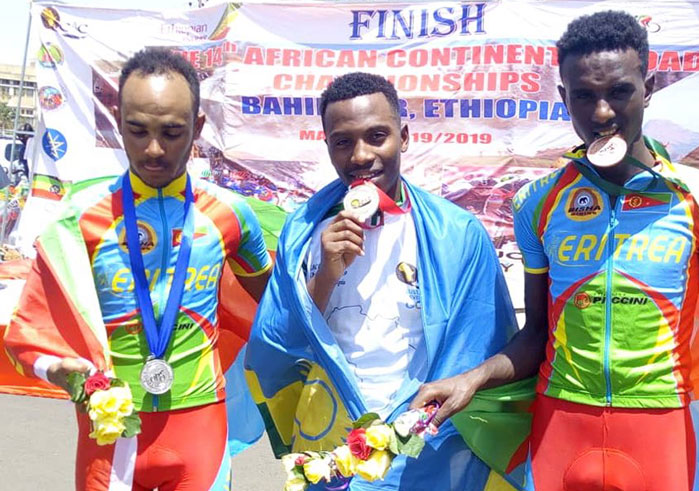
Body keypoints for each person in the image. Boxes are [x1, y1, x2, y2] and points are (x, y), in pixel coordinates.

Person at [412, 11, 699, 491]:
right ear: (564, 98)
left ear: (648, 87)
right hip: (560, 425)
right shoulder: (537, 202)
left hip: (658, 430)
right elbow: (537, 332)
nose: (602, 113)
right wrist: (471, 379)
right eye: (584, 95)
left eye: (619, 91)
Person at [4, 48, 272, 491]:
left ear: (198, 128)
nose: (153, 149)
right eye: (136, 130)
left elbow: (274, 310)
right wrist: (60, 371)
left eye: (172, 132)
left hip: (200, 427)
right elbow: (32, 326)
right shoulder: (79, 217)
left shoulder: (231, 213)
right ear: (117, 117)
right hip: (110, 428)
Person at [245, 72, 517, 489]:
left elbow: (483, 345)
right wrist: (324, 274)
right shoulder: (305, 231)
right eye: (343, 141)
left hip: (423, 440)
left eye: (377, 136)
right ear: (328, 146)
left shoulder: (457, 233)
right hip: (331, 436)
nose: (360, 155)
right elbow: (278, 343)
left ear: (403, 137)